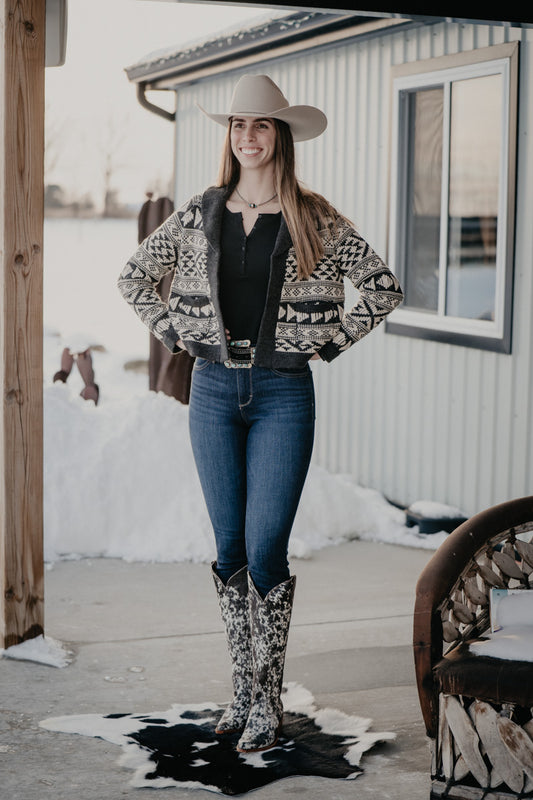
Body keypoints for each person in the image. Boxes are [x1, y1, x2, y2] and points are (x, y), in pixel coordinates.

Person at [118, 74, 403, 754]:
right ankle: (243, 692)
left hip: (282, 395)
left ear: (280, 136)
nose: (247, 135)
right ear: (231, 138)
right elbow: (133, 276)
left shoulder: (314, 218)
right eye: (238, 125)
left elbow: (382, 288)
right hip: (213, 393)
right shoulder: (200, 213)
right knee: (229, 551)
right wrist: (176, 336)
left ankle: (268, 702)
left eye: (261, 125)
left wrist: (328, 342)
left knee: (267, 548)